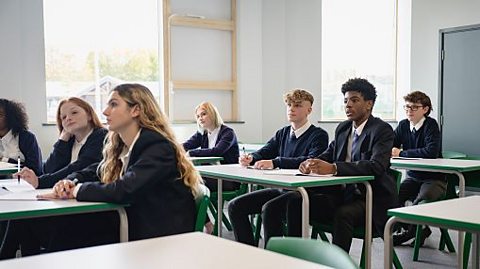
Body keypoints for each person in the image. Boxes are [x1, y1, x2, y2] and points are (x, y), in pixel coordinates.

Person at [0, 83, 202, 258]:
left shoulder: (156, 145)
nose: (105, 112)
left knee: (64, 228)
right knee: (34, 222)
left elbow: (125, 189)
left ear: (136, 110)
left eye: (114, 104)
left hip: (155, 231)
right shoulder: (122, 144)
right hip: (129, 218)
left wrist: (76, 190)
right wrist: (72, 181)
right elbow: (95, 170)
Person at [298, 78, 397, 253]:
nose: (348, 105)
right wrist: (310, 163)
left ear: (369, 104)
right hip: (342, 194)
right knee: (296, 201)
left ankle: (339, 264)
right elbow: (328, 155)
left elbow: (376, 166)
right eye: (345, 101)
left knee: (343, 214)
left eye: (354, 100)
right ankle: (295, 258)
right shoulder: (343, 128)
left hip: (369, 198)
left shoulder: (381, 130)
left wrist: (334, 168)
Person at [228, 88, 329, 246]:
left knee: (270, 209)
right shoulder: (283, 133)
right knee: (235, 206)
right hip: (282, 188)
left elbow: (311, 161)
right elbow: (266, 150)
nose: (291, 108)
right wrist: (251, 158)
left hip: (304, 192)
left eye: (297, 105)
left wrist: (276, 162)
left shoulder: (319, 135)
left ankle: (275, 258)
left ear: (309, 110)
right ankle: (249, 253)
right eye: (289, 105)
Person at [15, 97, 107, 189]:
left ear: (89, 115)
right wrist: (62, 142)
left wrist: (40, 182)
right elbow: (48, 170)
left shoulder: (101, 135)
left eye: (74, 113)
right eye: (63, 117)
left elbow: (80, 167)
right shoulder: (69, 141)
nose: (68, 118)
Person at [391, 91, 445, 246]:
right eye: (407, 107)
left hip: (434, 179)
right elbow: (391, 144)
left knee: (420, 201)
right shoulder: (403, 125)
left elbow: (431, 152)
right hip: (414, 177)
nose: (409, 111)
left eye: (414, 107)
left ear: (425, 109)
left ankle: (410, 232)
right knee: (393, 196)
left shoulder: (431, 125)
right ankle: (418, 229)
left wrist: (401, 153)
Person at [183, 101, 240, 191]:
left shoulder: (228, 132)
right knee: (184, 179)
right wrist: (170, 147)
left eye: (203, 114)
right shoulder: (202, 133)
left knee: (190, 181)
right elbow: (186, 145)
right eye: (198, 116)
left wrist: (191, 153)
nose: (200, 118)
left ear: (213, 114)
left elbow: (217, 151)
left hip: (228, 179)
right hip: (211, 175)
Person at [0, 99, 42, 176]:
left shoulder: (27, 138)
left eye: (0, 115)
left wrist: (4, 160)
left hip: (23, 182)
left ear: (10, 117)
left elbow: (35, 169)